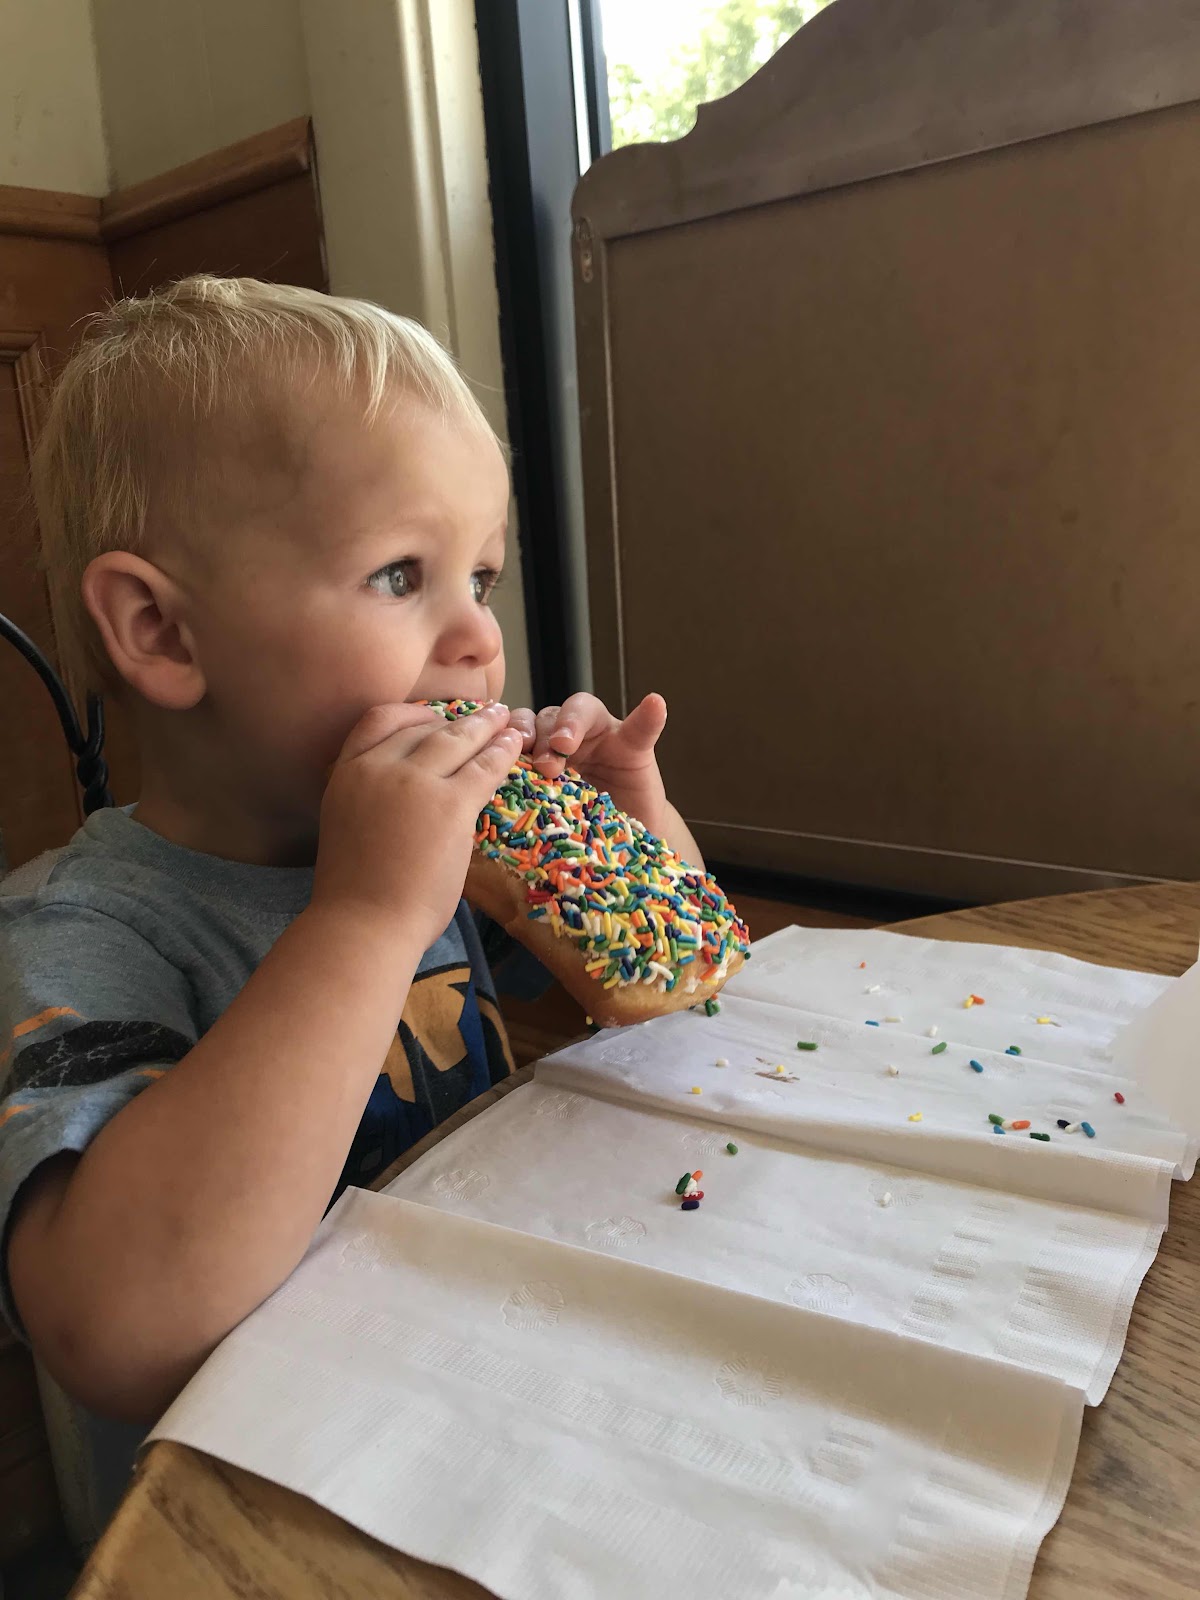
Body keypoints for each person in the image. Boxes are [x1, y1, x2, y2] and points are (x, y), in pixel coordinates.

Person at [0, 275, 703, 1545]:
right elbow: (116, 1330)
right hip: (249, 1528)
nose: (479, 639)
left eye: (481, 575)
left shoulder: (442, 844)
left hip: (473, 1426)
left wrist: (629, 829)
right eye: (399, 574)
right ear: (163, 632)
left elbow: (673, 994)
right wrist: (368, 920)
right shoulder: (83, 937)